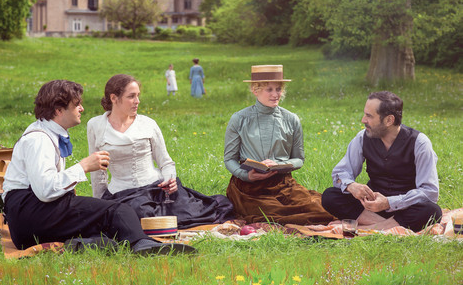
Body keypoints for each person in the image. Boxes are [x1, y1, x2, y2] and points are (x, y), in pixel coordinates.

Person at [2, 79, 196, 255]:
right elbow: (45, 190)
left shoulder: (46, 133)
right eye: (76, 104)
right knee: (120, 211)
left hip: (29, 220)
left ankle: (86, 244)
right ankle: (143, 245)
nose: (82, 109)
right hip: (31, 213)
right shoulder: (39, 139)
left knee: (106, 227)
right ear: (59, 110)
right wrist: (84, 166)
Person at [87, 74, 233, 227]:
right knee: (136, 215)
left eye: (138, 96)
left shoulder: (148, 124)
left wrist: (170, 180)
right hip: (122, 193)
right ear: (114, 98)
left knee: (196, 212)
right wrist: (99, 206)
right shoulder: (96, 125)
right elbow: (97, 170)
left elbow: (166, 162)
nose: (137, 101)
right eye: (131, 96)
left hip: (155, 189)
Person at [224, 64, 333, 225]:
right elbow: (229, 159)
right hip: (248, 189)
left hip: (282, 184)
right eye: (269, 89)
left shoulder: (291, 119)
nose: (276, 94)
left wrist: (279, 164)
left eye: (278, 89)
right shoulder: (239, 119)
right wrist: (246, 175)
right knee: (272, 216)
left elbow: (299, 159)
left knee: (322, 209)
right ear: (255, 90)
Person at [321, 91, 442, 232]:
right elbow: (341, 172)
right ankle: (386, 227)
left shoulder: (420, 143)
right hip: (371, 208)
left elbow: (430, 192)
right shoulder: (362, 138)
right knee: (330, 196)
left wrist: (388, 203)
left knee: (432, 211)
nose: (363, 120)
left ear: (389, 120)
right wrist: (351, 186)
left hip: (406, 208)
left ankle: (370, 229)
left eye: (369, 116)